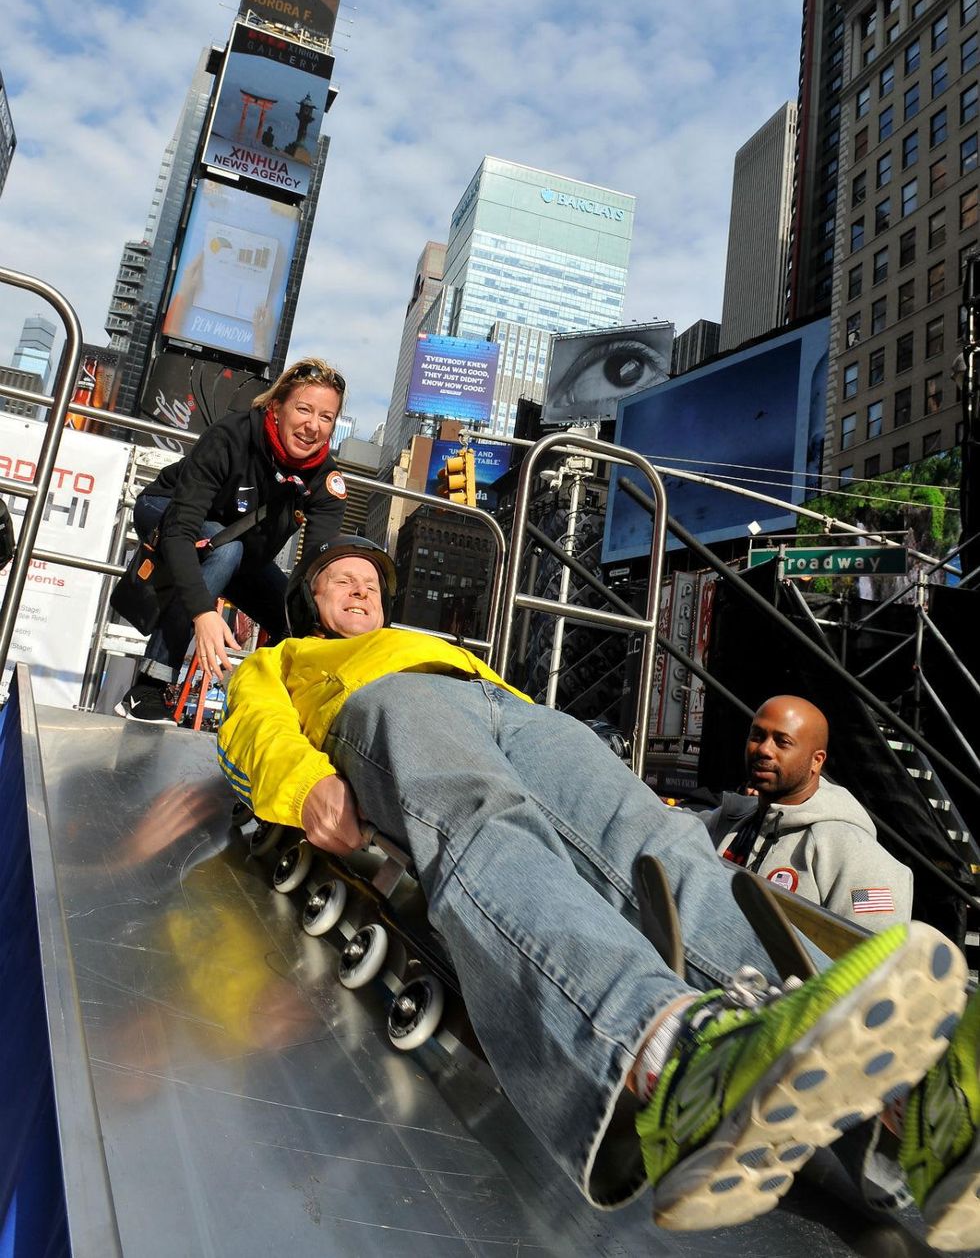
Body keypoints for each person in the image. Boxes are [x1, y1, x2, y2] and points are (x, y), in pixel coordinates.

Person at [217, 538, 978, 1245]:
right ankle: (670, 1063)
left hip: (507, 707)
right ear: (306, 602)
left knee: (656, 838)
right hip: (381, 710)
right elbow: (247, 729)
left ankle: (913, 1098)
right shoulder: (286, 660)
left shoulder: (438, 645)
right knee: (486, 823)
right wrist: (309, 781)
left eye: (372, 581)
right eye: (342, 580)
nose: (363, 589)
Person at [115, 358, 347, 722]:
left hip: (241, 554)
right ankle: (151, 684)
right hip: (167, 511)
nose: (312, 426)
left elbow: (318, 566)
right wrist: (203, 612)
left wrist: (324, 628)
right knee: (225, 550)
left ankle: (280, 714)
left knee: (297, 615)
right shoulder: (232, 436)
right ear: (276, 406)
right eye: (304, 409)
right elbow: (180, 530)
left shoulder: (325, 480)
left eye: (326, 417)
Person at [704, 696, 913, 930]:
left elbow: (874, 955)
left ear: (816, 761)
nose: (764, 749)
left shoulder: (854, 852)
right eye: (757, 736)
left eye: (782, 742)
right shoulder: (727, 822)